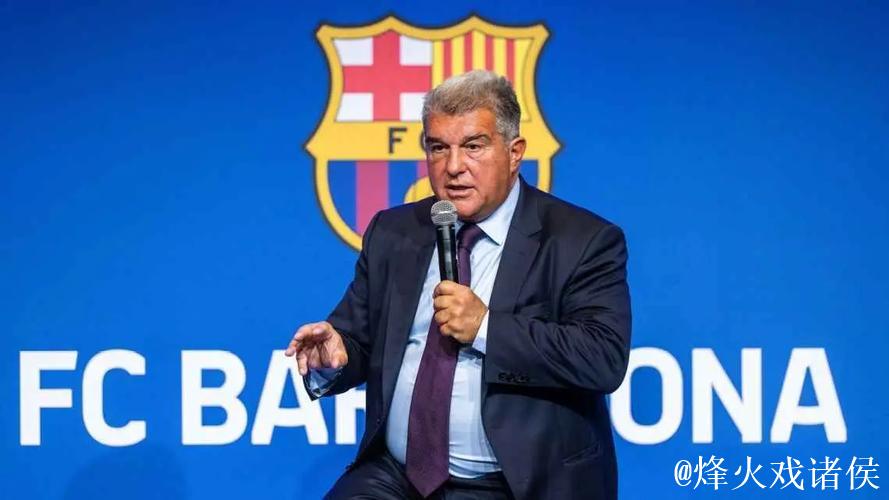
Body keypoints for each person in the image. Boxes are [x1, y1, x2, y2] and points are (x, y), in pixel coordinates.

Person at [285, 70, 631, 499]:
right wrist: (334, 357)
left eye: (473, 146)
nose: (453, 167)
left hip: (516, 484)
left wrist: (486, 327)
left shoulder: (580, 240)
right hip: (398, 477)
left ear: (515, 152)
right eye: (438, 147)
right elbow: (357, 341)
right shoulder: (395, 232)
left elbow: (602, 358)